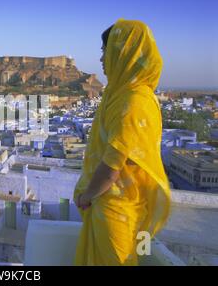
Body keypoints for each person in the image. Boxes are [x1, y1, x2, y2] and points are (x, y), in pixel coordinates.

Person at [73, 19, 171, 265]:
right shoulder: (127, 96)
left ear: (122, 53)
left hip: (117, 210)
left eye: (105, 51)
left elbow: (112, 166)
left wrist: (87, 196)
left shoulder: (132, 102)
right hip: (120, 206)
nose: (102, 59)